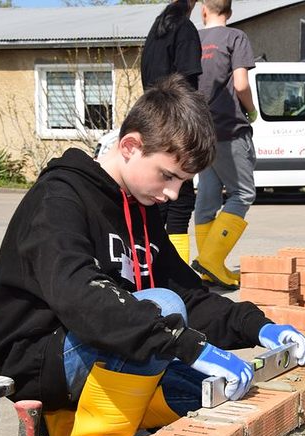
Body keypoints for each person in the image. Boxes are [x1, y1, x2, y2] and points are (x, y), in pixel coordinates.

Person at [0, 75, 305, 436]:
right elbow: (82, 298)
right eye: (168, 176)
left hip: (107, 345)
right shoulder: (60, 197)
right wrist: (184, 343)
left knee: (214, 392)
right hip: (39, 357)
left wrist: (257, 327)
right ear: (130, 146)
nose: (174, 194)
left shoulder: (141, 206)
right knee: (164, 310)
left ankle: (141, 432)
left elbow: (188, 293)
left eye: (183, 182)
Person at [191, 0, 258, 290]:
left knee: (206, 202)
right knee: (242, 194)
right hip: (229, 129)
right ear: (229, 13)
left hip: (200, 132)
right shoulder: (235, 37)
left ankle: (208, 270)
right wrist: (252, 111)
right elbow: (241, 85)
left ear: (203, 10)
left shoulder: (190, 40)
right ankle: (211, 261)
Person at [140, 0, 202, 264]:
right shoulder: (184, 29)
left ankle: (149, 266)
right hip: (175, 123)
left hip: (153, 121)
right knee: (179, 201)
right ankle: (179, 278)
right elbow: (188, 84)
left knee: (158, 200)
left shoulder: (157, 30)